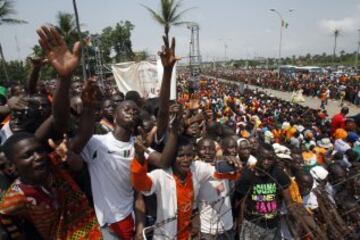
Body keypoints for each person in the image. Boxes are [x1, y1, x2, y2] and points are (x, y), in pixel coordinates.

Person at [0, 133, 101, 239]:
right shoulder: (16, 193)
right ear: (13, 164)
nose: (38, 157)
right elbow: (6, 211)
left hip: (99, 229)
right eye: (27, 155)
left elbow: (84, 133)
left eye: (40, 150)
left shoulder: (55, 163)